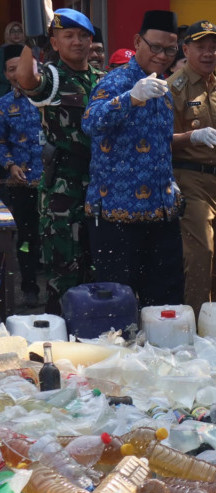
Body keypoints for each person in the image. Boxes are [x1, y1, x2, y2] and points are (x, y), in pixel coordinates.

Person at [82, 10, 184, 308]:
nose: (163, 55)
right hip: (118, 214)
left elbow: (158, 145)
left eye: (170, 49)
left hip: (161, 211)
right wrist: (131, 98)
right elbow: (91, 123)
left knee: (165, 301)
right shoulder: (115, 82)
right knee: (118, 303)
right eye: (155, 47)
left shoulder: (164, 88)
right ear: (138, 41)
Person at [16, 8, 104, 314]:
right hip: (62, 189)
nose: (77, 42)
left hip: (98, 185)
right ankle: (59, 332)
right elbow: (27, 79)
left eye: (83, 36)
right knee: (63, 267)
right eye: (68, 36)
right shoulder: (53, 77)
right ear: (55, 43)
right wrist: (32, 43)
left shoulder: (102, 80)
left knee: (96, 264)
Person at [168, 20, 216, 317]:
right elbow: (157, 141)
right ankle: (194, 324)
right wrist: (191, 137)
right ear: (185, 49)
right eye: (201, 47)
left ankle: (210, 319)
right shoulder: (174, 88)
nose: (209, 53)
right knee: (201, 256)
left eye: (214, 47)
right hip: (188, 179)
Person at [0, 45, 43, 307]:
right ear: (6, 75)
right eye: (12, 69)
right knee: (27, 238)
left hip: (54, 181)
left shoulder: (47, 97)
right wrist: (9, 164)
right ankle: (29, 288)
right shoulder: (3, 106)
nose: (19, 74)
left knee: (58, 237)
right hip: (22, 183)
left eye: (24, 67)